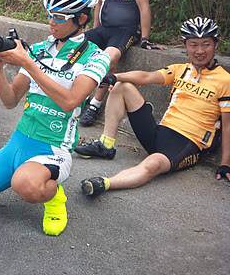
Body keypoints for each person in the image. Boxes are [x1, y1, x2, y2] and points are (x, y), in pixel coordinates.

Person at [0, 0, 111, 236]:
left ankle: (53, 196)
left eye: (59, 17)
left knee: (24, 184)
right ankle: (15, 176)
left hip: (53, 147)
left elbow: (70, 101)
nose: (51, 22)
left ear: (82, 19)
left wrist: (28, 63)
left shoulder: (96, 57)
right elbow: (11, 100)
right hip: (17, 143)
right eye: (49, 15)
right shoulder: (39, 49)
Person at [79, 17, 230, 197]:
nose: (199, 51)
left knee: (152, 165)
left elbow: (227, 126)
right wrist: (116, 77)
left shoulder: (225, 80)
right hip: (160, 133)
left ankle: (104, 183)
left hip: (186, 144)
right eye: (193, 44)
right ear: (186, 46)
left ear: (216, 45)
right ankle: (106, 145)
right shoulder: (181, 69)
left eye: (206, 44)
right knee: (122, 86)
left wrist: (225, 163)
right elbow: (146, 77)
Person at [80, 0, 165, 127]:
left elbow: (144, 6)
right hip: (104, 28)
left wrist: (145, 38)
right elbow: (99, 4)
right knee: (75, 47)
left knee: (108, 58)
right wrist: (95, 30)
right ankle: (79, 95)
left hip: (125, 31)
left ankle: (95, 104)